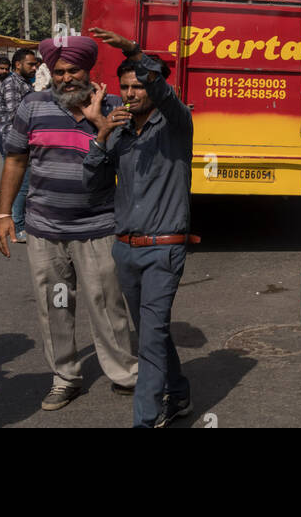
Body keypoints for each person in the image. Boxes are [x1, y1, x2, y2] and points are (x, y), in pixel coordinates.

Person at [0, 34, 137, 410]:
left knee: (107, 303)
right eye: (59, 71)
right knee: (55, 305)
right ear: (49, 73)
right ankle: (65, 376)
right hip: (46, 231)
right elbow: (15, 160)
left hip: (98, 229)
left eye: (73, 70)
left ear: (87, 71)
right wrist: (4, 214)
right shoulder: (33, 106)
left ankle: (124, 372)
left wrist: (100, 125)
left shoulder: (113, 106)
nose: (66, 78)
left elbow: (129, 161)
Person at [84, 28, 196, 428]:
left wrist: (133, 51)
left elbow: (161, 87)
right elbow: (93, 187)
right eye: (125, 87)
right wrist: (101, 134)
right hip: (126, 250)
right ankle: (179, 393)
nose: (130, 94)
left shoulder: (176, 125)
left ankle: (144, 422)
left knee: (148, 339)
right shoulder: (121, 132)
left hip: (164, 249)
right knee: (152, 331)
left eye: (138, 86)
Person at [0, 50, 38, 240]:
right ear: (18, 65)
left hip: (26, 141)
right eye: (30, 64)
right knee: (22, 185)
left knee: (25, 184)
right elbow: (17, 116)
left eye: (35, 64)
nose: (34, 67)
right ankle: (18, 227)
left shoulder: (25, 84)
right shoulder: (12, 84)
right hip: (18, 142)